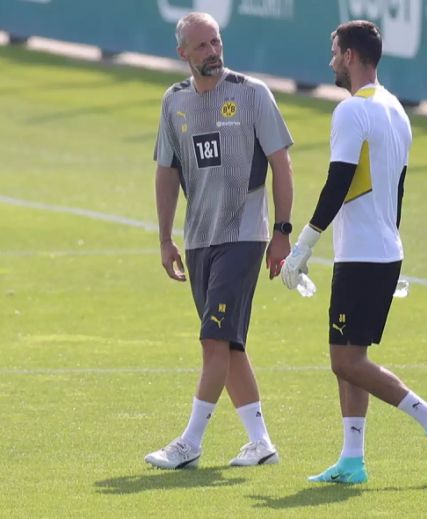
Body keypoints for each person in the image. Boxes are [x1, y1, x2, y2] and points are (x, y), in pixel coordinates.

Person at [280, 20, 427, 484]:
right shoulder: (396, 109)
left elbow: (339, 181)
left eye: (334, 51)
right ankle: (352, 460)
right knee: (350, 358)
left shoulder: (351, 112)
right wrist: (390, 244)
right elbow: (395, 190)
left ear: (350, 56)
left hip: (364, 254)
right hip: (377, 250)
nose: (330, 61)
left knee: (345, 361)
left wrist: (302, 247)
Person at [145, 11, 294, 470]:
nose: (212, 52)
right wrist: (165, 238)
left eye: (216, 42)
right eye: (202, 46)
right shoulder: (174, 102)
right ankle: (260, 442)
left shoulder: (252, 95)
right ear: (183, 54)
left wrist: (282, 233)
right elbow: (166, 172)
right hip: (198, 241)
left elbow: (281, 165)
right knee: (228, 346)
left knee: (213, 339)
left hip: (244, 236)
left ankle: (190, 442)